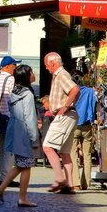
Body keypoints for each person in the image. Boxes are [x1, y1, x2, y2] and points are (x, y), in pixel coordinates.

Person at [0, 64, 41, 207]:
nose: (33, 74)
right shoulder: (28, 94)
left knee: (21, 164)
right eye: (31, 72)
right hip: (24, 133)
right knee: (26, 165)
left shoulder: (15, 92)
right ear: (27, 76)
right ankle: (22, 197)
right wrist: (34, 138)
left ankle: (1, 189)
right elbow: (29, 118)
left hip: (14, 131)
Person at [42, 52, 80, 194]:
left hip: (64, 115)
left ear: (52, 63)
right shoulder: (60, 75)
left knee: (47, 147)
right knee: (64, 152)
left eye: (46, 65)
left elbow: (75, 89)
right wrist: (71, 104)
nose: (46, 68)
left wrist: (65, 106)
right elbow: (77, 91)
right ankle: (69, 185)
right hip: (70, 115)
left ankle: (59, 179)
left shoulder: (61, 74)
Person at [0, 55, 21, 186]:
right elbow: (13, 99)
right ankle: (6, 177)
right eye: (15, 65)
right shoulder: (11, 80)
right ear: (9, 66)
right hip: (8, 117)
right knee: (9, 149)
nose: (16, 68)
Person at [70, 74, 97, 190]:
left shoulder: (71, 91)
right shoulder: (90, 91)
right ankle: (86, 182)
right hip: (87, 125)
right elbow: (94, 105)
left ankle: (75, 182)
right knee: (87, 155)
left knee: (73, 154)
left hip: (74, 124)